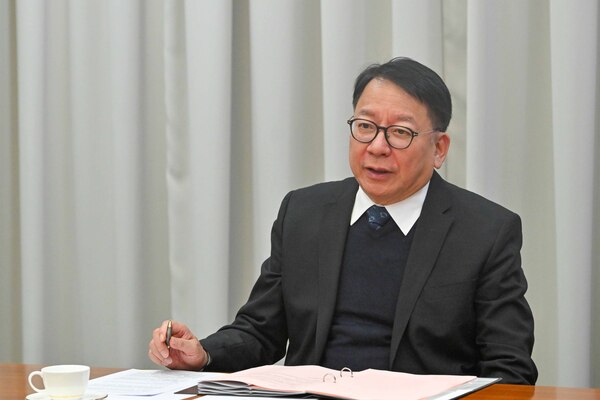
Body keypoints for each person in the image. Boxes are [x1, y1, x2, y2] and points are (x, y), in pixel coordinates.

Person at [148, 57, 538, 384]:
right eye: (365, 126)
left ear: (439, 148)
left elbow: (509, 368)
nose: (377, 147)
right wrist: (203, 354)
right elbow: (261, 331)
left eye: (399, 133)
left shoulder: (485, 231)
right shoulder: (303, 212)